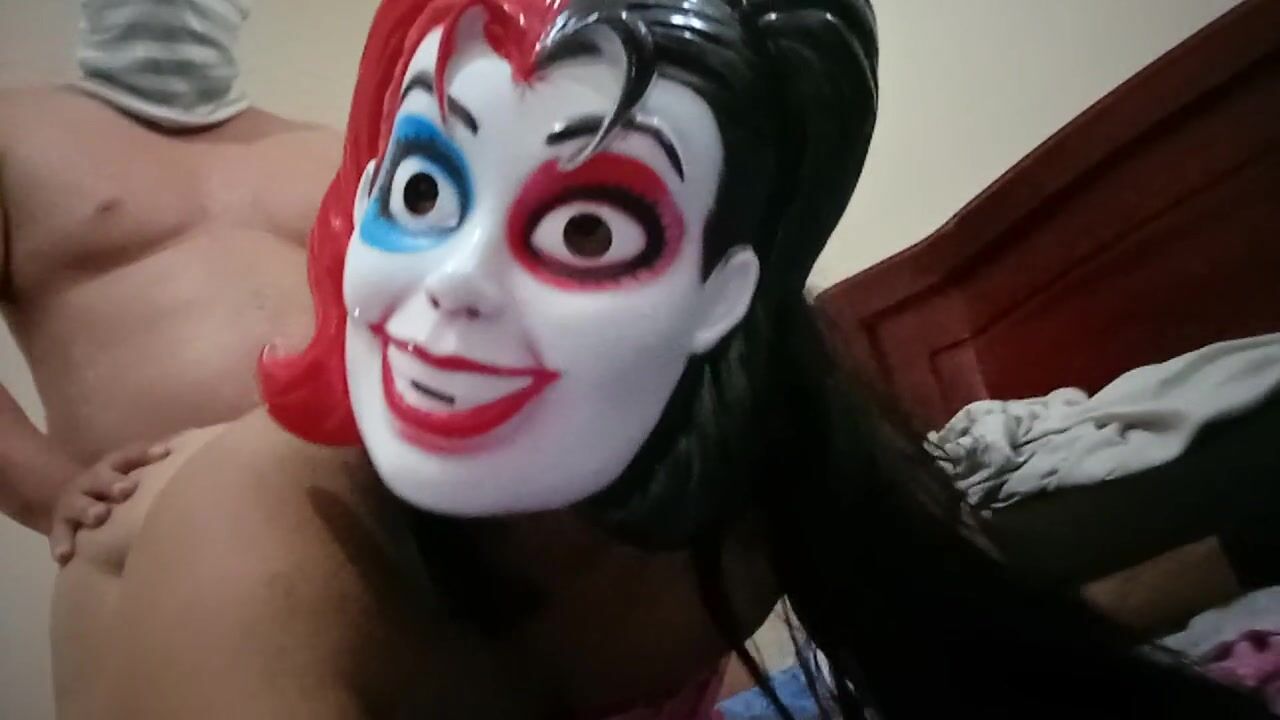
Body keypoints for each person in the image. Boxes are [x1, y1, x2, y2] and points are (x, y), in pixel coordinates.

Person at [52, 0, 1275, 718]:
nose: (456, 279)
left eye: (587, 228)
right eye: (423, 186)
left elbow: (974, 642)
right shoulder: (264, 551)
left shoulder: (771, 455)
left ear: (730, 288)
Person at [0, 0, 339, 559]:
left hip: (368, 532)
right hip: (148, 542)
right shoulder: (14, 133)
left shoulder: (332, 151)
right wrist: (49, 493)